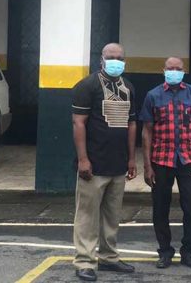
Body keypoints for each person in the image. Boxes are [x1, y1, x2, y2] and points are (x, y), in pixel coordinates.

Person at [71, 43, 137, 282]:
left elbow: (131, 125)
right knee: (87, 216)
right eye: (111, 57)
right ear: (101, 60)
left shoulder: (128, 87)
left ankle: (109, 258)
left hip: (118, 165)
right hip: (93, 165)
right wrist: (83, 159)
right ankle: (84, 261)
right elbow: (79, 124)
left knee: (112, 215)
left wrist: (131, 159)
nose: (116, 60)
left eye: (120, 57)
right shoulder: (86, 86)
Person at [140, 57, 191, 269]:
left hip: (188, 159)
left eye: (178, 69)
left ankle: (189, 252)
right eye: (170, 69)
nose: (174, 72)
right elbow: (147, 131)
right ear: (164, 71)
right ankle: (165, 251)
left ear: (184, 71)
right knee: (160, 207)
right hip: (161, 159)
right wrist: (147, 165)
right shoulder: (153, 95)